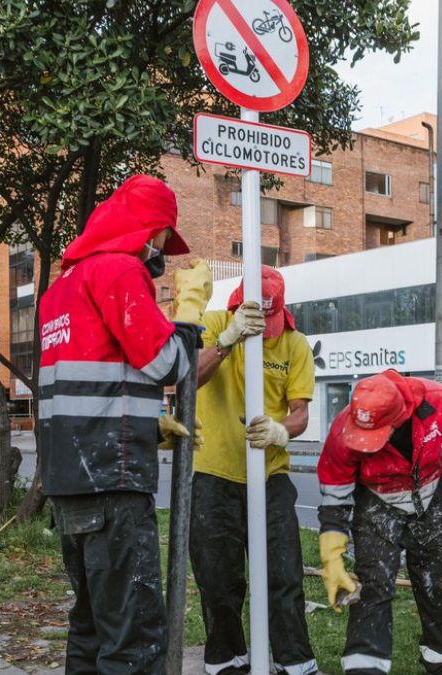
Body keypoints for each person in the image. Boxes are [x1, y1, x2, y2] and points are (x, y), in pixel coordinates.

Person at [38, 174, 205, 675]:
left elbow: (94, 377)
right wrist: (190, 315)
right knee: (133, 636)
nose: (162, 252)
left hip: (70, 478)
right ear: (149, 230)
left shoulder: (62, 287)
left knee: (91, 628)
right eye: (162, 239)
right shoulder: (117, 272)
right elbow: (166, 364)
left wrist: (147, 424)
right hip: (113, 478)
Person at [317, 369, 442, 675]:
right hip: (377, 501)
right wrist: (331, 557)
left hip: (432, 495)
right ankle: (364, 668)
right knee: (373, 585)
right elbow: (334, 497)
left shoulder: (435, 401)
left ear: (400, 417)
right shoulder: (344, 431)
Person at [185, 266, 318, 675]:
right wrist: (228, 341)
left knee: (283, 573)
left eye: (272, 322)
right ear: (239, 305)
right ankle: (228, 660)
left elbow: (301, 414)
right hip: (214, 472)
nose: (267, 331)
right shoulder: (213, 325)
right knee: (218, 578)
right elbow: (187, 380)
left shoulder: (295, 345)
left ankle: (295, 662)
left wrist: (281, 431)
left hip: (270, 476)